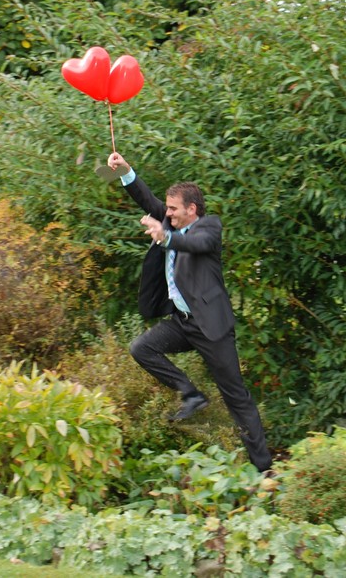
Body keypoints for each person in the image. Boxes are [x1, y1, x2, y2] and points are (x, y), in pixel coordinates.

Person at [106, 151, 273, 473]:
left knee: (237, 398)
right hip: (182, 322)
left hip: (211, 327)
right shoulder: (171, 221)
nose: (166, 213)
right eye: (166, 209)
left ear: (191, 210)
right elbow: (146, 198)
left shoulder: (208, 229)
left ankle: (264, 469)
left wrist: (165, 237)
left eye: (172, 209)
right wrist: (126, 171)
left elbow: (192, 245)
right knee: (142, 348)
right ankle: (191, 394)